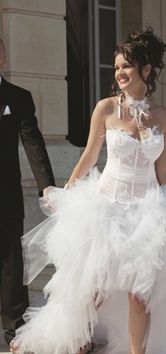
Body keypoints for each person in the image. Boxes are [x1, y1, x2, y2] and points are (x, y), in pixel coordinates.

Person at [10, 28, 166, 354]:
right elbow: (90, 155)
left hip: (148, 213)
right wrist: (66, 191)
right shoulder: (106, 109)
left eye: (127, 66)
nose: (119, 73)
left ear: (146, 71)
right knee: (93, 288)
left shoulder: (163, 117)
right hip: (106, 207)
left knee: (142, 292)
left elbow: (162, 169)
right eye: (117, 66)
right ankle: (73, 338)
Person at [0, 39, 55, 345]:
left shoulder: (18, 98)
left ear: (2, 56)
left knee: (11, 266)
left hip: (5, 196)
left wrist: (46, 185)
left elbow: (33, 143)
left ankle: (15, 332)